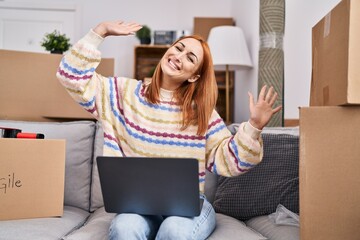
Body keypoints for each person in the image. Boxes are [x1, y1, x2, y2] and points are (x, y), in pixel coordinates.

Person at [56, 20, 282, 240]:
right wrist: (100, 31)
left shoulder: (201, 113)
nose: (179, 56)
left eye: (190, 57)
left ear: (194, 76)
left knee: (175, 231)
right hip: (140, 206)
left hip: (189, 208)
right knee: (125, 228)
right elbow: (71, 76)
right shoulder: (121, 94)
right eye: (179, 48)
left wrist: (254, 126)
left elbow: (231, 161)